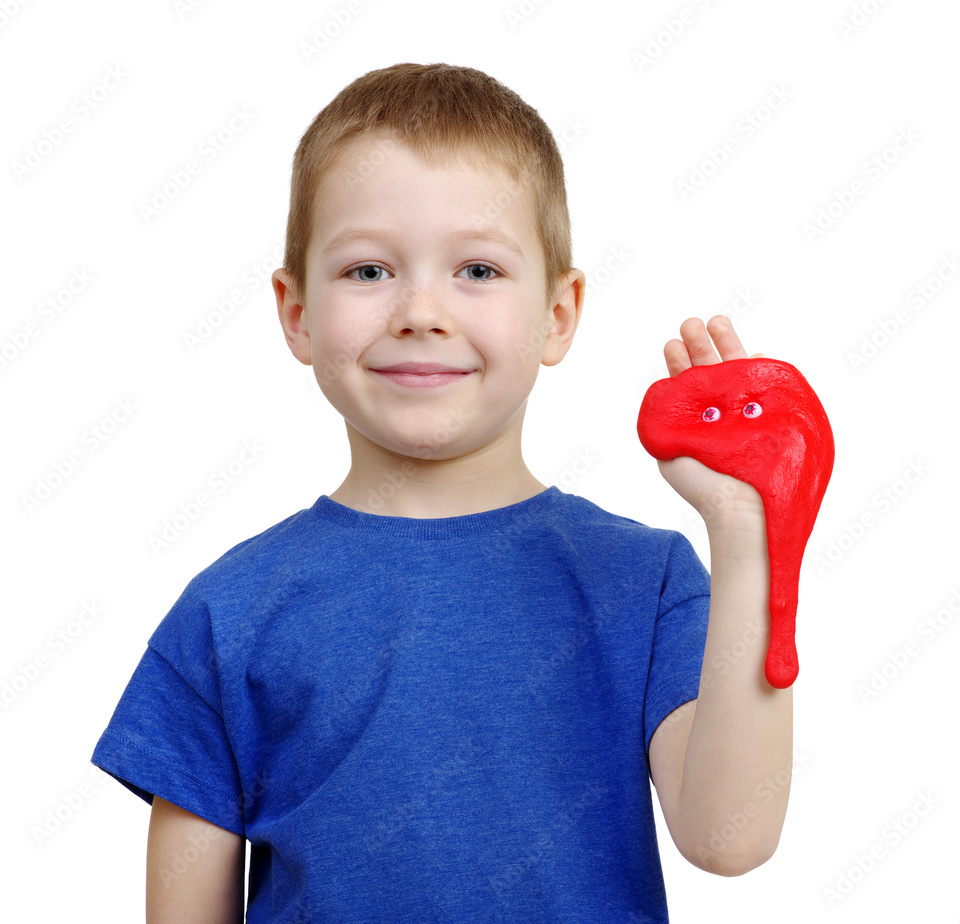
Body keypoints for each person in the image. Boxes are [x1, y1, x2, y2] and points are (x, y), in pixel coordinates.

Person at [91, 62, 792, 923]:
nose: (422, 309)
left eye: (480, 271)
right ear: (297, 311)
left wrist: (749, 536)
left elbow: (731, 838)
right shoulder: (228, 613)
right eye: (369, 272)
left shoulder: (646, 583)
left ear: (559, 315)